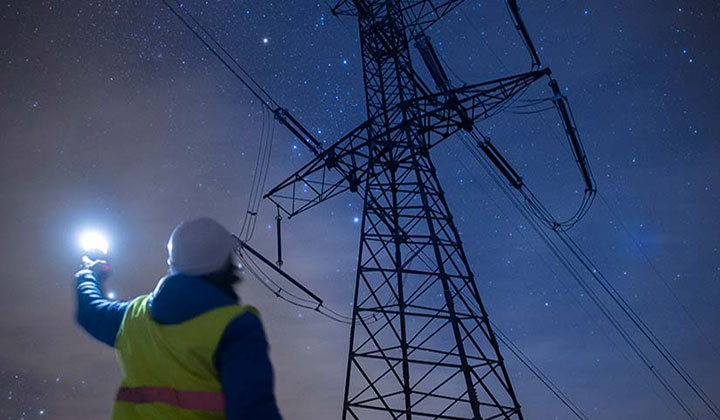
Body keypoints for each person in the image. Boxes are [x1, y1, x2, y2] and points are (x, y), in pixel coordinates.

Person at [75, 217, 283, 419]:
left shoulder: (134, 316)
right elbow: (253, 410)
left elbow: (90, 311)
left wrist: (89, 274)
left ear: (172, 263)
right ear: (228, 264)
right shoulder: (236, 326)